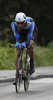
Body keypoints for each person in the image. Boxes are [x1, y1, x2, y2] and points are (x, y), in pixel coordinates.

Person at [11, 12, 38, 77]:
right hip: (21, 33)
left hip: (31, 32)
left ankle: (31, 61)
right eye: (18, 23)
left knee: (29, 45)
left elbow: (29, 36)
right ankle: (18, 72)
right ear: (15, 21)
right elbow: (17, 36)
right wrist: (18, 43)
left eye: (22, 23)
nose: (20, 25)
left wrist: (25, 43)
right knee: (18, 50)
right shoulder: (13, 24)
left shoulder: (31, 23)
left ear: (25, 21)